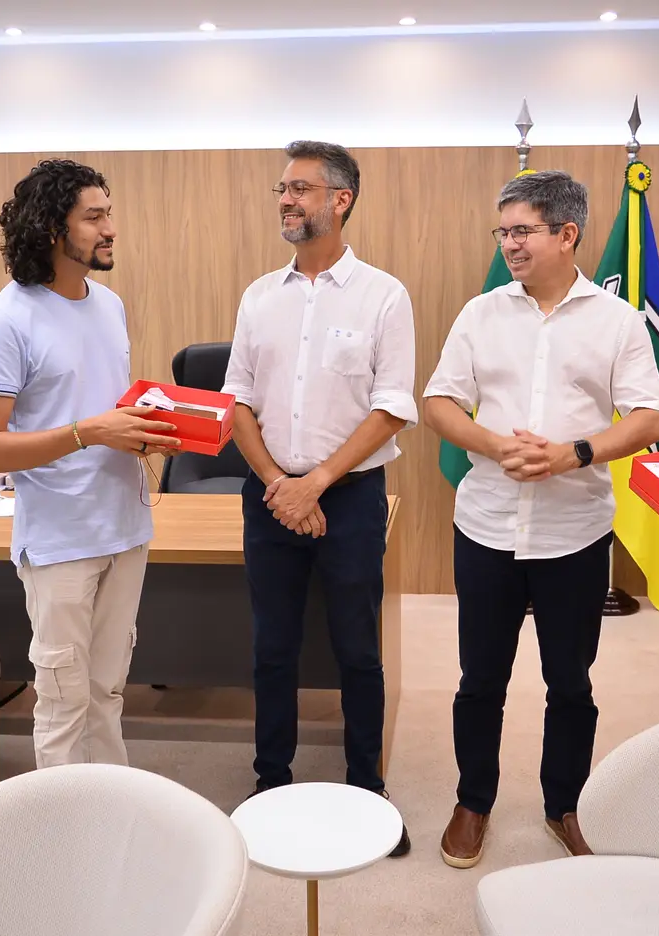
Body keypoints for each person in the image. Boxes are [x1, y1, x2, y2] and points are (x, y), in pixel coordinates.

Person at [423, 170, 659, 868]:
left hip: (575, 534)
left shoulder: (617, 320)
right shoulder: (480, 314)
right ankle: (473, 801)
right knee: (480, 680)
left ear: (567, 234)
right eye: (502, 231)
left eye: (522, 230)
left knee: (570, 683)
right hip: (487, 527)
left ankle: (566, 804)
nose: (509, 244)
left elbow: (650, 417)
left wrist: (574, 453)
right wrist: (492, 443)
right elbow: (438, 402)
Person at [222, 141, 416, 855]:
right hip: (270, 495)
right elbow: (236, 401)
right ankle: (270, 781)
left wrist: (317, 483)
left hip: (351, 498)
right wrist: (281, 484)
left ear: (341, 199)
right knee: (271, 647)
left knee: (357, 649)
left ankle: (368, 789)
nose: (285, 199)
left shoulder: (383, 295)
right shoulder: (259, 296)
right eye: (282, 188)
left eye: (300, 188)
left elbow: (392, 408)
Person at [0, 159, 182, 769]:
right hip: (60, 539)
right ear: (50, 228)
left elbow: (103, 413)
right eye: (93, 217)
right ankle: (59, 825)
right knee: (63, 703)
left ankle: (106, 812)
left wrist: (142, 433)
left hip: (126, 527)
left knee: (107, 693)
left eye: (108, 213)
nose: (110, 228)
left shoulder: (109, 305)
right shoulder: (5, 321)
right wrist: (90, 433)